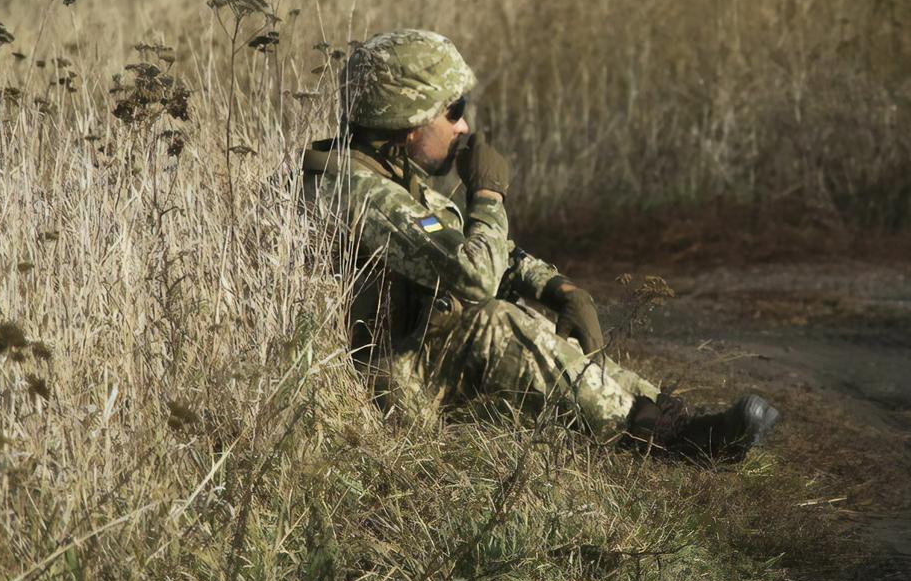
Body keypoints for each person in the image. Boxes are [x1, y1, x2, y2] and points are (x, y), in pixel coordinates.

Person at [299, 29, 779, 462]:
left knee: (525, 313)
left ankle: (665, 415)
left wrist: (557, 288)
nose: (464, 126)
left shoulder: (391, 177)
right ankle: (661, 438)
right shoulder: (354, 193)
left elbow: (469, 245)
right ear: (410, 122)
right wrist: (487, 195)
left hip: (411, 359)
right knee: (493, 320)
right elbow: (473, 277)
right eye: (454, 110)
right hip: (377, 385)